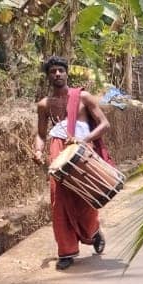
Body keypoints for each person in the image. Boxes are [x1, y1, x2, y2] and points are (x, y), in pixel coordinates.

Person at [33, 55, 110, 271]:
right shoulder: (44, 104)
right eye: (52, 71)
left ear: (67, 73)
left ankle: (93, 232)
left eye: (60, 70)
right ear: (48, 77)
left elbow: (104, 124)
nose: (57, 74)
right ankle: (66, 251)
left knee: (85, 196)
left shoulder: (83, 97)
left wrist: (83, 140)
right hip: (57, 152)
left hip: (82, 150)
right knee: (59, 200)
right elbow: (40, 134)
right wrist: (38, 150)